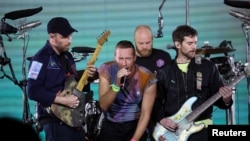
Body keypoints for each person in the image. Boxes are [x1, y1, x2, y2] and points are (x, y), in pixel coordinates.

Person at [153, 25, 233, 141]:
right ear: (178, 45)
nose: (194, 47)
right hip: (174, 131)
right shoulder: (165, 72)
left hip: (202, 129)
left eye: (195, 43)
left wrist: (226, 99)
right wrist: (162, 119)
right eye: (189, 43)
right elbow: (155, 103)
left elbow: (220, 100)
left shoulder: (207, 67)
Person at [27, 17, 97, 141]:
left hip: (74, 119)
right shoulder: (39, 59)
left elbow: (71, 84)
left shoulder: (68, 56)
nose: (69, 41)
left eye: (70, 36)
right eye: (65, 37)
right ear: (52, 37)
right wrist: (63, 100)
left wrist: (86, 78)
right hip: (55, 121)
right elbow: (33, 91)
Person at [98, 40, 157, 141]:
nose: (124, 63)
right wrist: (117, 85)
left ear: (134, 58)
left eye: (128, 59)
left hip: (134, 124)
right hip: (111, 124)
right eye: (120, 58)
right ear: (115, 57)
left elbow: (145, 114)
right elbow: (103, 105)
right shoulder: (106, 69)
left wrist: (134, 139)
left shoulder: (147, 77)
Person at [134, 25, 172, 141]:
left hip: (161, 111)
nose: (145, 47)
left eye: (148, 43)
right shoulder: (129, 60)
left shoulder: (164, 57)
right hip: (137, 113)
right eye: (141, 43)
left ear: (153, 40)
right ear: (134, 41)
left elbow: (172, 87)